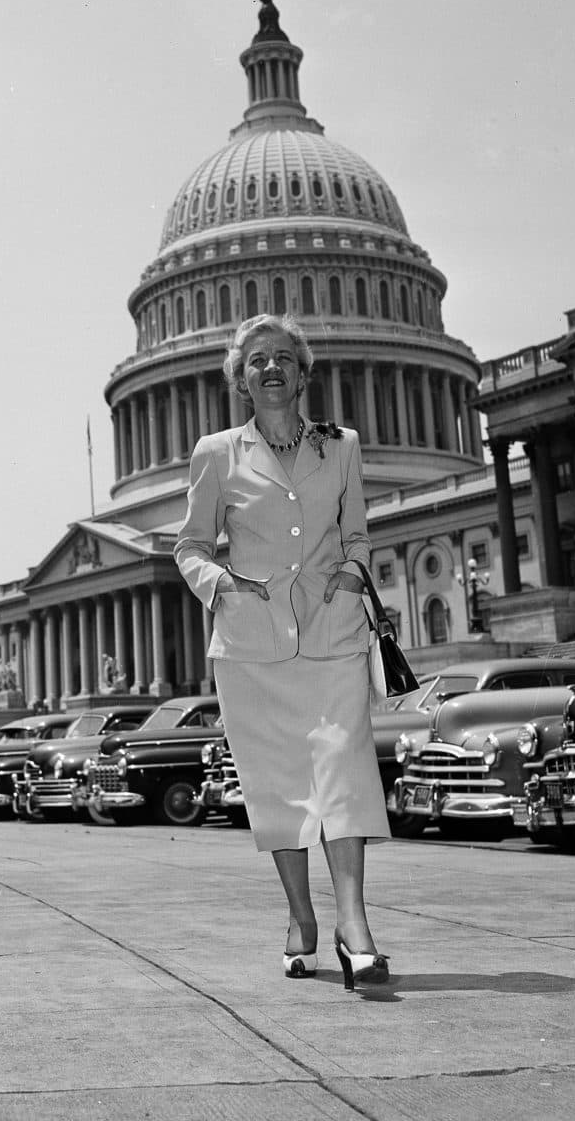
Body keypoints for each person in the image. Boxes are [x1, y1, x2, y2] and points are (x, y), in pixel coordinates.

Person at [174, 314, 391, 991]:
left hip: (333, 636)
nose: (271, 369)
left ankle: (354, 925)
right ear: (239, 380)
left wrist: (352, 579)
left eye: (283, 359)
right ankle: (301, 919)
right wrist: (222, 591)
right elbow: (188, 545)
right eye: (256, 361)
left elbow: (357, 534)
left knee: (345, 775)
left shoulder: (342, 445)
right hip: (253, 645)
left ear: (304, 374)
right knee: (282, 791)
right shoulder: (217, 453)